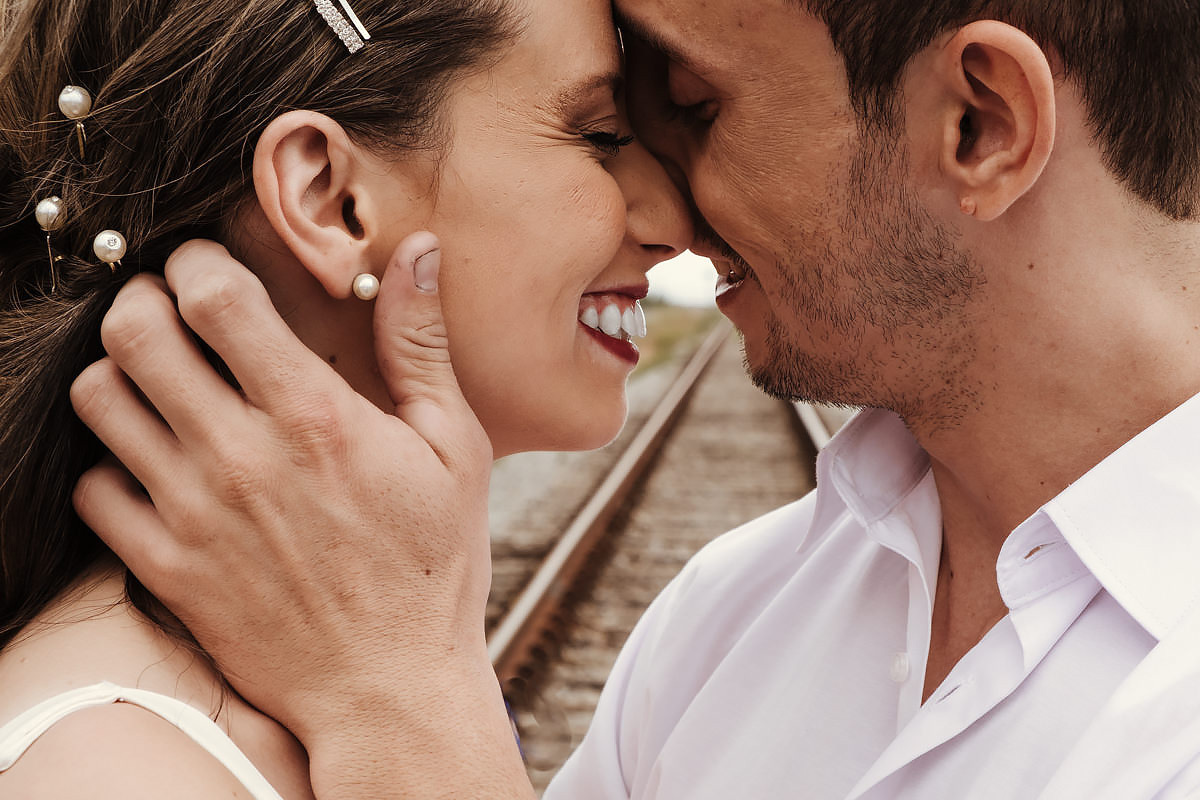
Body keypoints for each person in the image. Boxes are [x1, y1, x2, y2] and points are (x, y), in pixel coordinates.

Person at [69, 0, 1200, 797]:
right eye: (611, 130)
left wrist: (405, 708)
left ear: (980, 124)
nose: (667, 210)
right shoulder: (724, 620)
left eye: (698, 108)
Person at [0, 0, 694, 795]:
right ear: (332, 199)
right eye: (600, 137)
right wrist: (407, 693)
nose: (672, 222)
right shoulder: (109, 773)